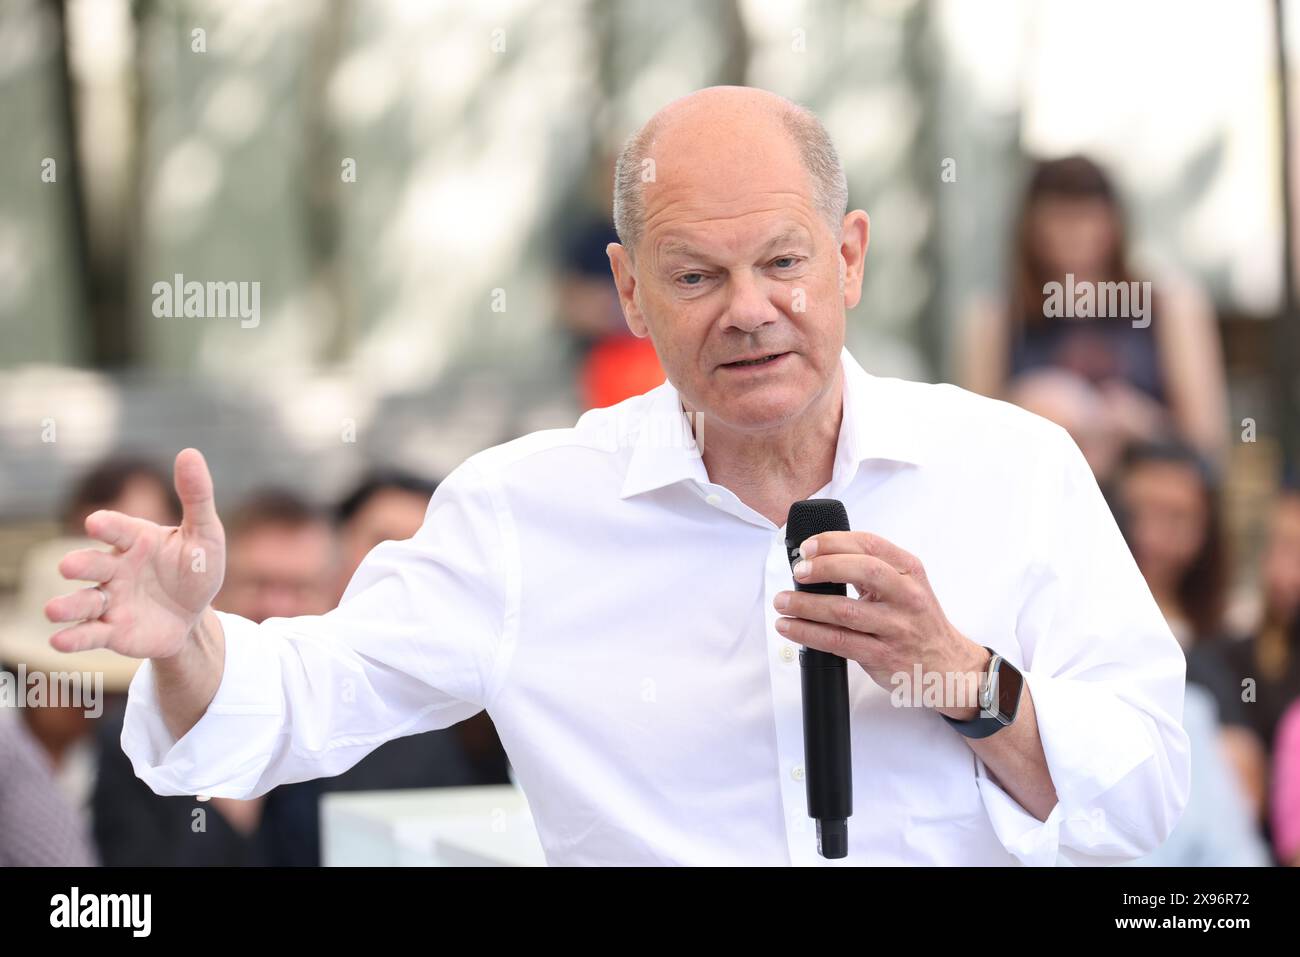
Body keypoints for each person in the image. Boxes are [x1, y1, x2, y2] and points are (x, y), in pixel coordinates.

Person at [46, 87, 1189, 866]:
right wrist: (188, 636)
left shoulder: (1012, 471)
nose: (750, 310)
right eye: (695, 275)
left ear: (847, 258)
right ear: (630, 292)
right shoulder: (525, 512)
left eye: (783, 262)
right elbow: (296, 700)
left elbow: (1146, 803)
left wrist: (964, 680)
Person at [91, 492, 337, 865]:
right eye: (259, 583)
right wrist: (226, 782)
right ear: (215, 590)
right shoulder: (136, 736)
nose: (277, 606)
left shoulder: (383, 731)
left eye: (300, 588)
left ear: (334, 598)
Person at [960, 156, 1228, 467]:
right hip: (1043, 503)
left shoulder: (1169, 307)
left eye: (1087, 219)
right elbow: (972, 448)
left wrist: (1141, 424)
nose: (1075, 236)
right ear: (1031, 230)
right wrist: (1027, 410)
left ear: (1114, 227)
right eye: (1060, 220)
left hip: (1139, 500)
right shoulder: (996, 319)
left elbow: (1207, 444)